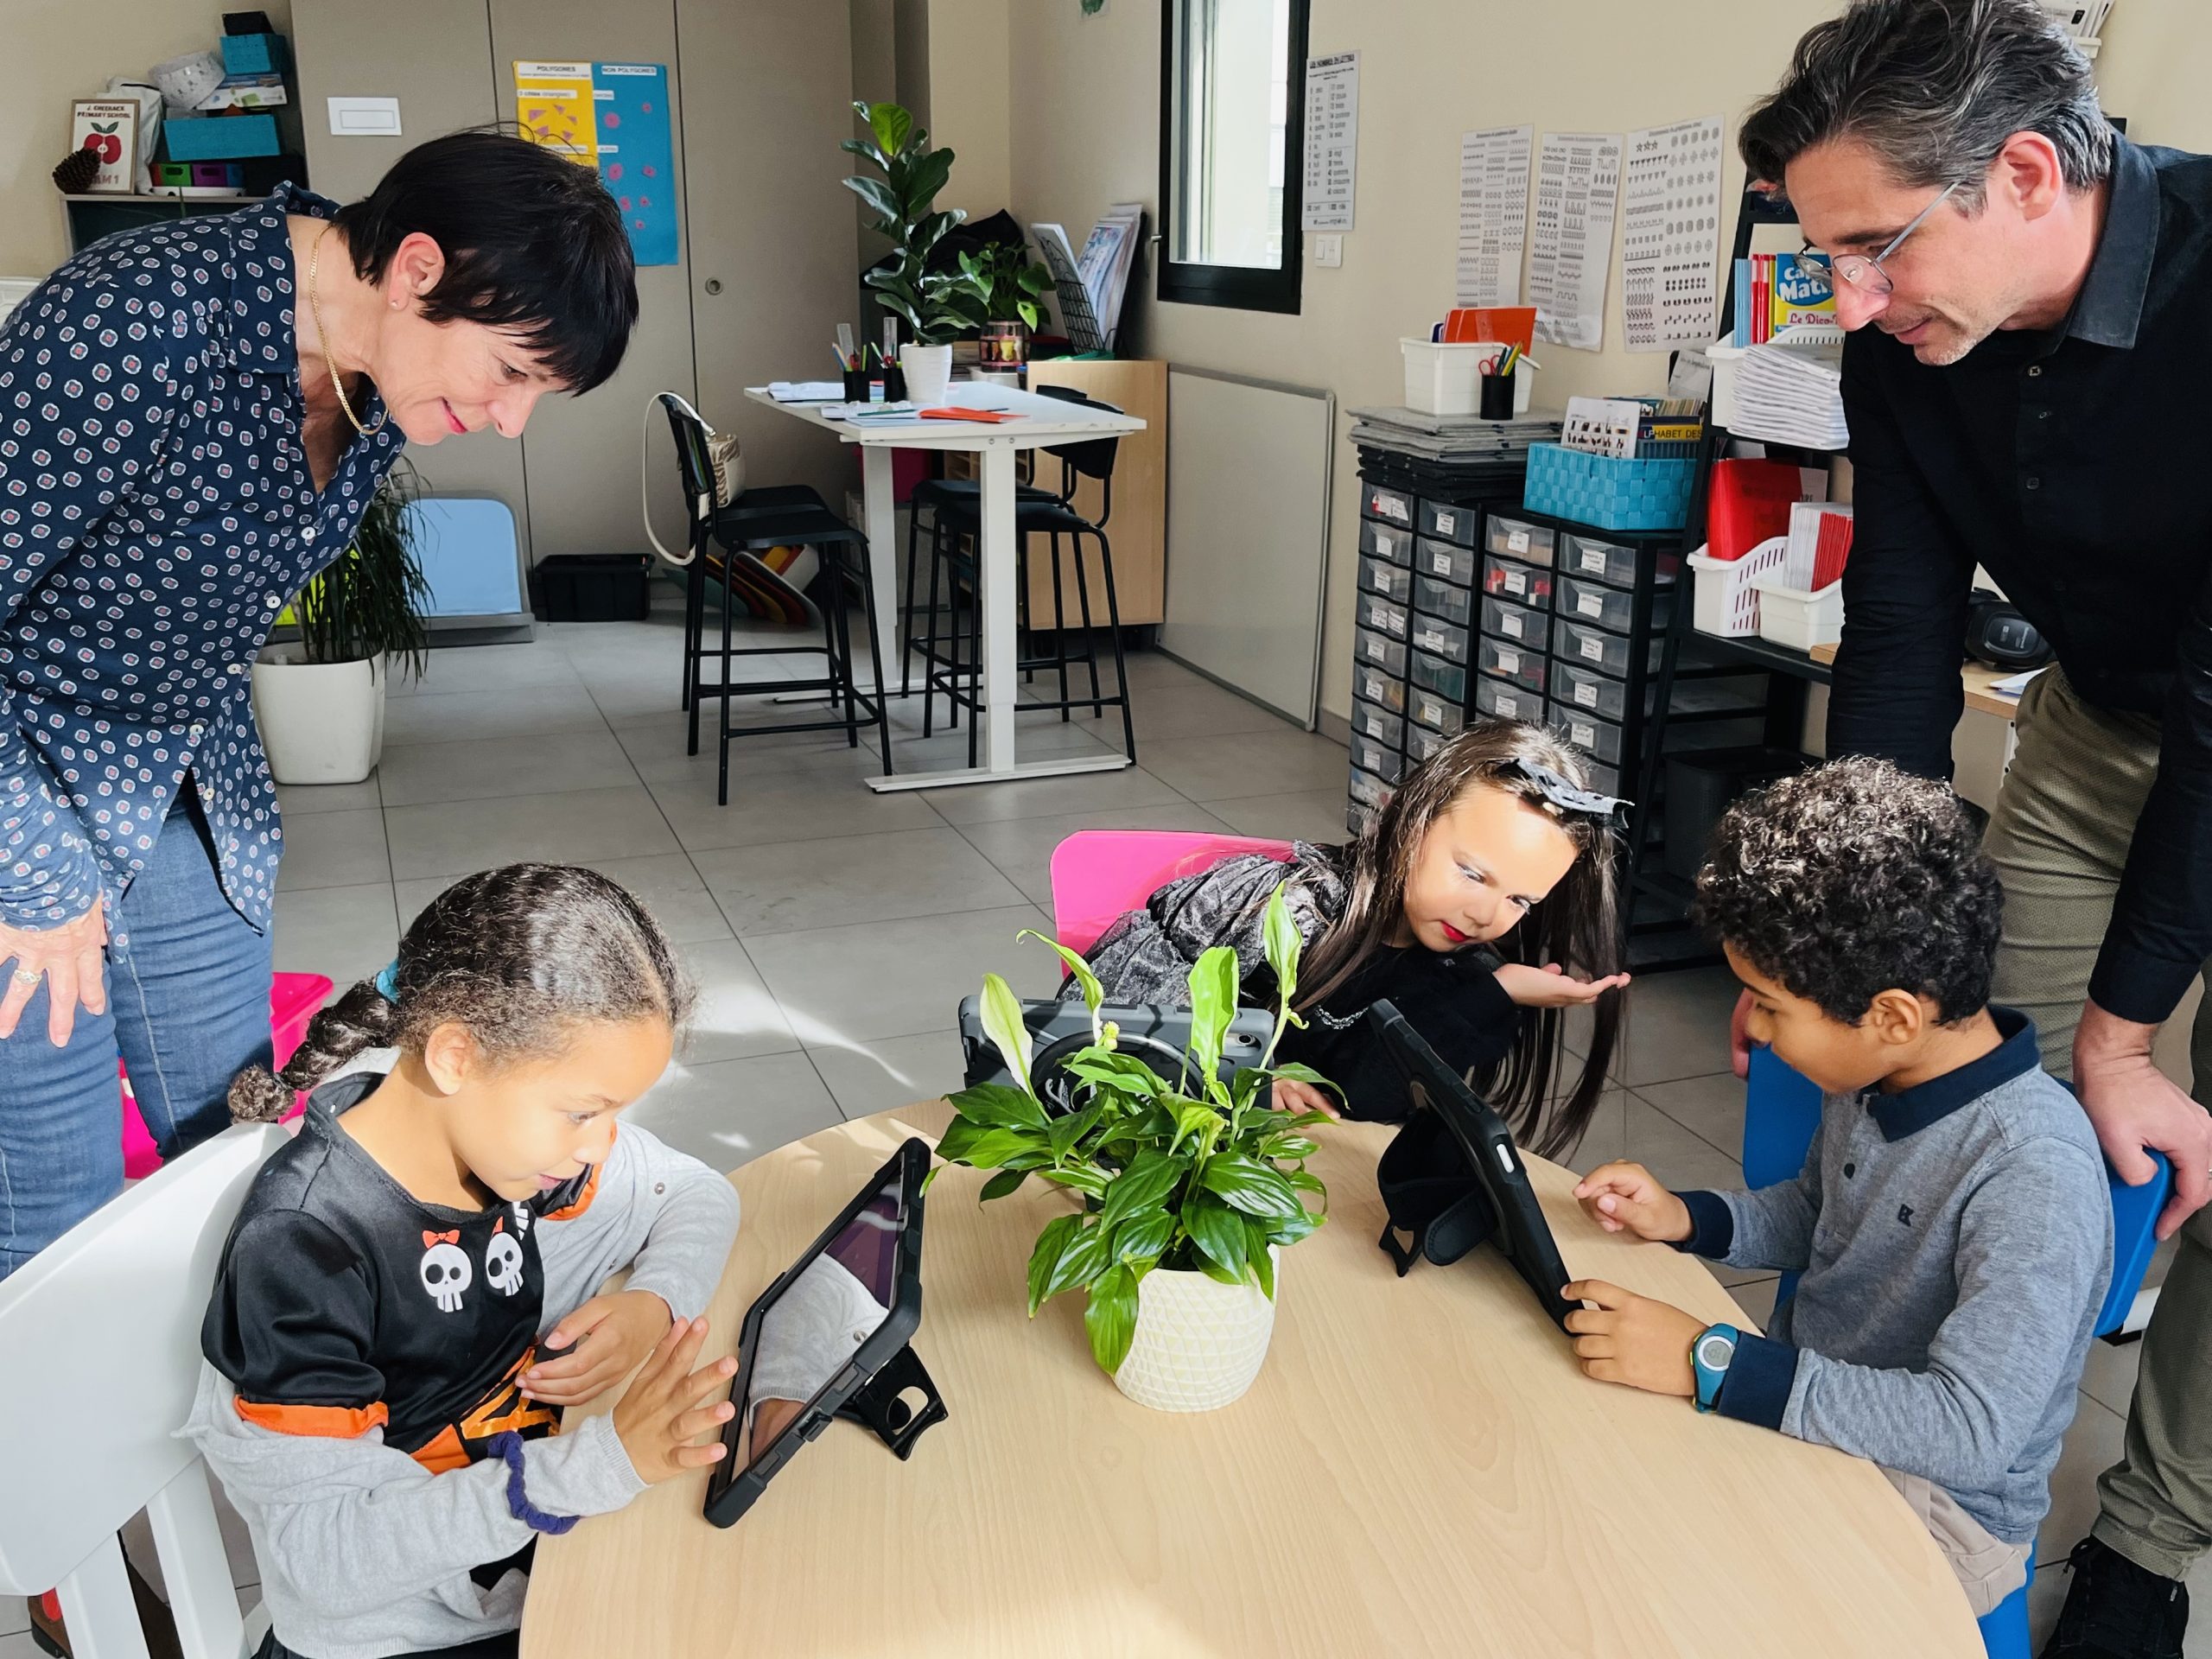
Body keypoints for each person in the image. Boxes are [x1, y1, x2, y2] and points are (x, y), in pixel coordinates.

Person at [1736, 4, 2212, 1649]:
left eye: (1874, 249)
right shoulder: (1902, 345)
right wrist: (1833, 950)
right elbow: (1900, 625)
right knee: (1997, 1091)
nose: (1852, 304)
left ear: (2023, 172)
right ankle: (1934, 1447)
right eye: (1829, 260)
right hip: (2093, 723)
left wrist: (2134, 1033)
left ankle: (2152, 1538)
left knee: (2178, 1130)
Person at [0, 130, 639, 1281]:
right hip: (23, 788)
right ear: (415, 271)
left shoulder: (375, 385)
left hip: (192, 788)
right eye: (510, 373)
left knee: (235, 1163)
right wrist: (36, 879)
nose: (510, 422)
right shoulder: (134, 325)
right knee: (54, 1217)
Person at [1568, 759, 2110, 1620]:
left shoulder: (2034, 1172)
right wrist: (1684, 1218)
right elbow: (1817, 1218)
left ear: (1893, 1015)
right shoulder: (1875, 1081)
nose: (1753, 1028)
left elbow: (1968, 1431)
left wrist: (1710, 1363)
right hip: (1809, 1415)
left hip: (1936, 1512)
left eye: (1769, 1006)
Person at [185, 864, 742, 1659]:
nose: (598, 1145)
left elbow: (694, 1192)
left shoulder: (500, 1147)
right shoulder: (305, 1247)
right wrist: (599, 1464)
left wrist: (652, 1303)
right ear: (456, 1056)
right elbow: (324, 1561)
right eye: (584, 1111)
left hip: (529, 1563)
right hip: (405, 1630)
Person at [1076, 720, 1628, 1160]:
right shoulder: (1280, 905)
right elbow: (1095, 1031)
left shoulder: (1463, 974)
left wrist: (1496, 993)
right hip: (1158, 1151)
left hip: (1304, 1180)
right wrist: (1236, 1083)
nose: (1486, 914)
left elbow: (1366, 1103)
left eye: (1520, 901)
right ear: (1409, 819)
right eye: (1472, 873)